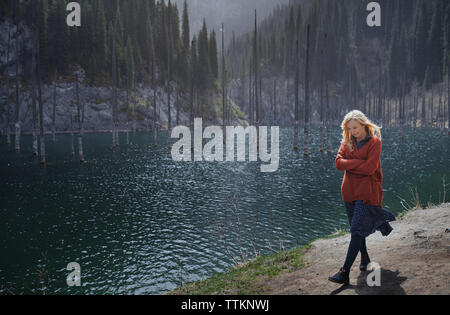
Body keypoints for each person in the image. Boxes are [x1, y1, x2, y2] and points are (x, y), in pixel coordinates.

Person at [328, 110, 396, 285]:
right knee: (356, 228)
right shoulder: (347, 142)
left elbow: (370, 168)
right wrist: (360, 162)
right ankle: (365, 259)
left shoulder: (375, 143)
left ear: (364, 125)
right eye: (349, 128)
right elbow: (337, 163)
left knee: (357, 230)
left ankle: (344, 272)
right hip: (348, 192)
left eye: (355, 128)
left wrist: (350, 165)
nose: (353, 132)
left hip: (366, 193)